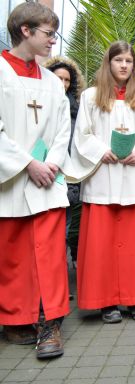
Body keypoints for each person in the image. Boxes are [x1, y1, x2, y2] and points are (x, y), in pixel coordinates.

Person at [71, 41, 135, 324]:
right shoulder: (91, 98)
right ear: (109, 63)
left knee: (133, 248)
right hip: (103, 179)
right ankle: (106, 303)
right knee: (101, 248)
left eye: (129, 61)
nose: (124, 65)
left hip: (133, 183)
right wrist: (101, 151)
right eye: (119, 60)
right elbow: (82, 137)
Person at [0, 2, 71, 359]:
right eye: (48, 34)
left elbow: (63, 129)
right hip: (11, 182)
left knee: (50, 255)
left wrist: (52, 164)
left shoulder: (51, 82)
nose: (53, 42)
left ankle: (49, 322)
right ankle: (16, 321)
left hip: (48, 182)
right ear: (25, 31)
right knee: (13, 257)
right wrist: (27, 164)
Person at [44, 55, 86, 287]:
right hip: (37, 176)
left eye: (66, 80)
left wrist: (73, 183)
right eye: (57, 78)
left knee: (62, 235)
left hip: (65, 182)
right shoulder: (39, 104)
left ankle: (55, 288)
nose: (62, 84)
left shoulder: (77, 112)